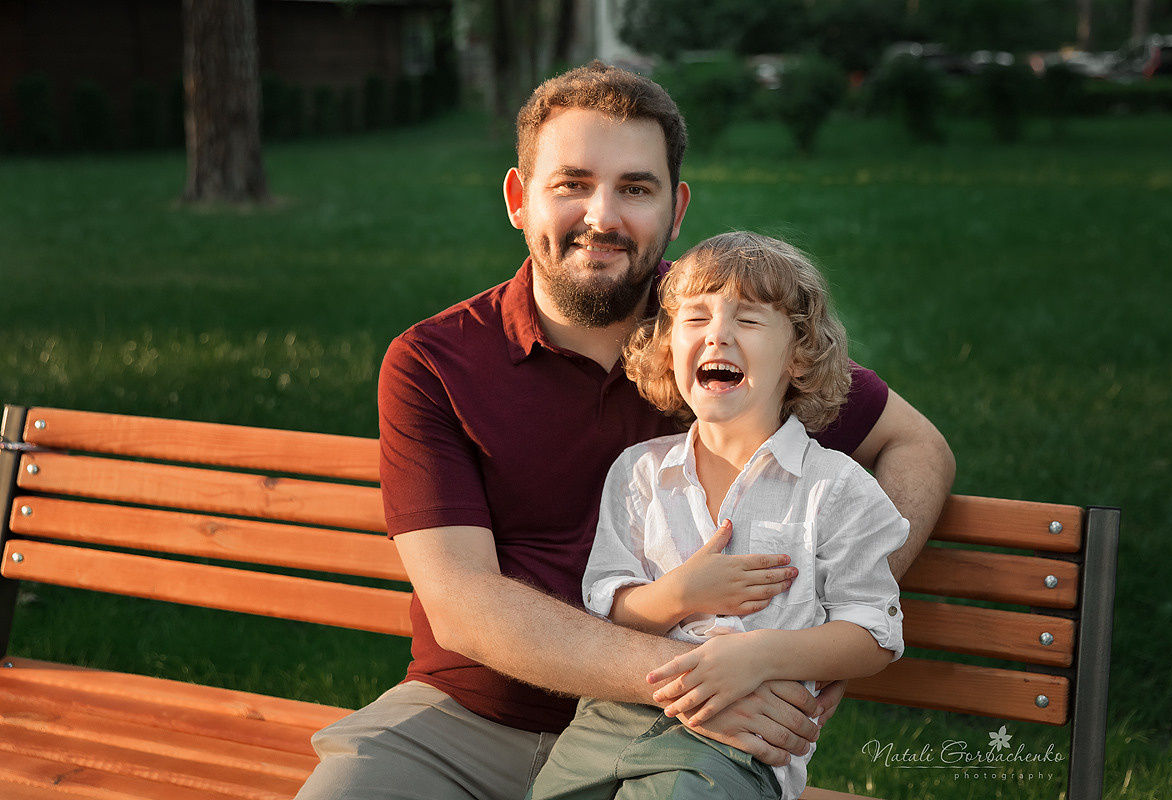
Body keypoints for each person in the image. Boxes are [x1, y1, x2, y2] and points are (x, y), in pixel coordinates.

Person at [294, 60, 954, 800]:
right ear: (519, 199)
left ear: (676, 210)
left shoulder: (722, 338)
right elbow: (465, 605)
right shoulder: (435, 361)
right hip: (474, 718)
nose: (602, 216)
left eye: (635, 188)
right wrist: (702, 680)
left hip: (687, 738)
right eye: (571, 183)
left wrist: (818, 636)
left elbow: (917, 446)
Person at [525, 231, 906, 800]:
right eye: (695, 319)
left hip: (736, 743)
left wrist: (758, 657)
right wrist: (680, 593)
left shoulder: (836, 489)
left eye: (748, 321)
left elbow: (874, 633)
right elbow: (608, 605)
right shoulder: (639, 474)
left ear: (799, 356)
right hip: (609, 719)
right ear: (666, 348)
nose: (718, 335)